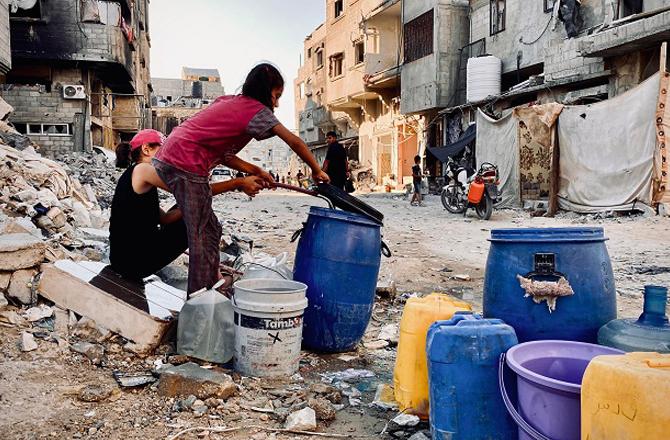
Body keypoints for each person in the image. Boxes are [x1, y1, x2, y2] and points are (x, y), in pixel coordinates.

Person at [153, 63, 330, 293]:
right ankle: (198, 301)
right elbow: (294, 141)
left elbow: (223, 155)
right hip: (186, 161)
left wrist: (255, 169)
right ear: (265, 91)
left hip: (171, 154)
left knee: (211, 230)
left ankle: (212, 284)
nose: (276, 103)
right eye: (276, 96)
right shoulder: (257, 111)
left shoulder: (228, 101)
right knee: (200, 235)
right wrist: (316, 170)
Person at [109, 129, 264, 282]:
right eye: (164, 150)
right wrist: (237, 183)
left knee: (189, 204)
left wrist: (193, 205)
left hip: (122, 261)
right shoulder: (142, 169)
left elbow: (165, 219)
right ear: (146, 149)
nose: (168, 157)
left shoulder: (137, 177)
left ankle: (211, 272)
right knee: (195, 206)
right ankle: (210, 278)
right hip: (132, 262)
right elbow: (193, 191)